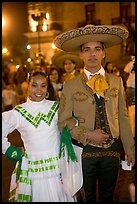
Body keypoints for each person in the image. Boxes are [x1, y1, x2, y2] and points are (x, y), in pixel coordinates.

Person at [54, 24, 135, 202]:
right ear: (81, 54)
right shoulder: (71, 85)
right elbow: (63, 122)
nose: (92, 54)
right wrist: (88, 134)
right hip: (84, 151)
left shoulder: (116, 81)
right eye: (87, 50)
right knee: (87, 197)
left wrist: (129, 148)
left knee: (108, 196)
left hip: (112, 150)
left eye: (97, 49)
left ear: (103, 52)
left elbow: (123, 116)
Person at [2, 70, 77, 202]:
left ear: (47, 88)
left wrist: (73, 121)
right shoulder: (19, 112)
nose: (39, 90)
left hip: (58, 167)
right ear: (28, 86)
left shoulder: (56, 107)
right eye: (34, 85)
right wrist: (10, 150)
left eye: (43, 86)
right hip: (33, 169)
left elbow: (75, 119)